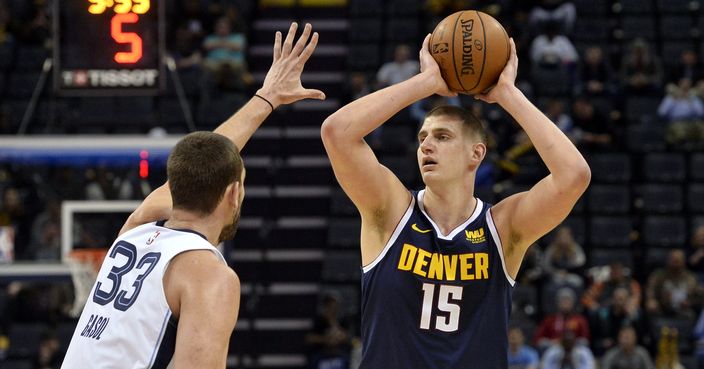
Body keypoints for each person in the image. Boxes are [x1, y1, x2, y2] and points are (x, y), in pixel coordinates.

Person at [61, 22, 325, 368]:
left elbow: (205, 159)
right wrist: (267, 96)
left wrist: (268, 98)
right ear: (234, 193)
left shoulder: (134, 232)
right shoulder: (210, 275)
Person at [320, 31, 591, 369]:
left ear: (476, 153)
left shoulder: (503, 228)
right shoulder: (390, 211)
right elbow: (337, 132)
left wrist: (508, 94)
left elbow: (574, 176)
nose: (426, 146)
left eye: (442, 136)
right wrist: (424, 82)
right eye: (422, 138)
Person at [646, 249, 702, 319]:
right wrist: (651, 300)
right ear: (667, 260)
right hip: (662, 306)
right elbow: (650, 290)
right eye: (673, 260)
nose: (675, 264)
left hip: (684, 308)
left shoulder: (691, 278)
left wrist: (690, 302)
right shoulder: (658, 275)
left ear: (683, 262)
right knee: (651, 307)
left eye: (678, 261)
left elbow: (698, 296)